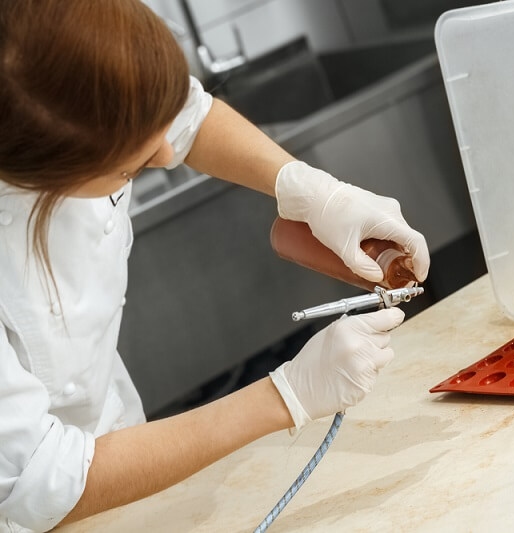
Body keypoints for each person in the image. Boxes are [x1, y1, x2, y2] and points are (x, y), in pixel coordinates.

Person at [0, 1, 430, 531]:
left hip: (120, 451)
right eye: (126, 165)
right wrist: (287, 395)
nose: (162, 153)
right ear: (38, 170)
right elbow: (39, 476)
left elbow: (187, 120)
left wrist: (310, 189)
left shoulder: (62, 44)